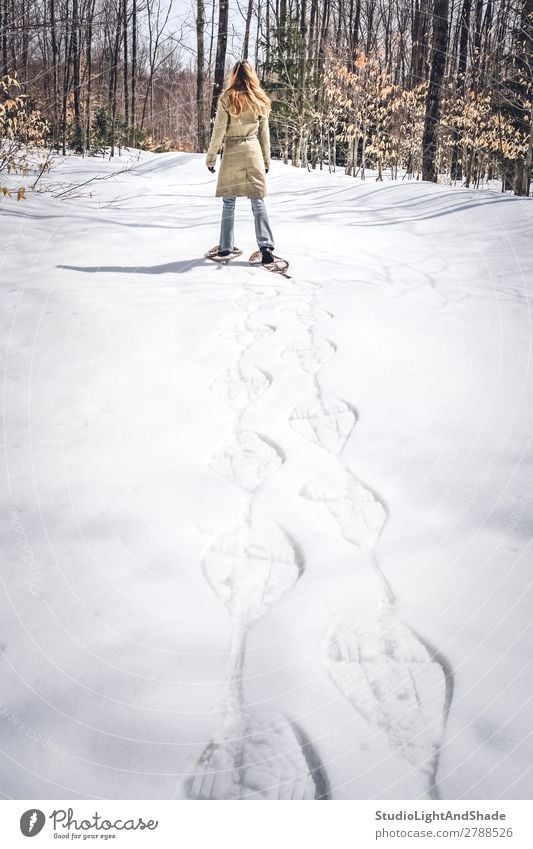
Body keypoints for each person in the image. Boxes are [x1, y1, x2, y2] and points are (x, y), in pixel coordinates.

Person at [206, 59, 275, 264]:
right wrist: (266, 160)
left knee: (229, 202)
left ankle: (225, 248)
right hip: (253, 151)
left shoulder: (227, 98)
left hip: (232, 152)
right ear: (252, 75)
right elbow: (264, 134)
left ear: (234, 75)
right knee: (257, 200)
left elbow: (218, 132)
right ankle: (266, 248)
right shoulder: (260, 99)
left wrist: (211, 157)